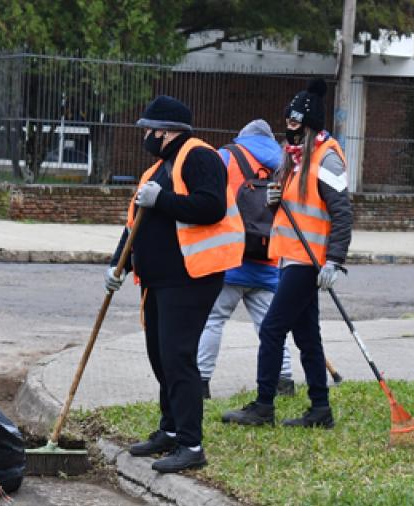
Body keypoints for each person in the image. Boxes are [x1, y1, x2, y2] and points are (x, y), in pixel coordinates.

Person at [105, 95, 244, 473]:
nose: (145, 135)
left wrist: (163, 199)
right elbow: (136, 222)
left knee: (178, 358)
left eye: (149, 129)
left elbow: (211, 206)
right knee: (159, 357)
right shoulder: (156, 169)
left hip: (191, 278)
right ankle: (168, 430)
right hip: (158, 281)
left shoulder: (199, 156)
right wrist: (119, 263)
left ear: (166, 132)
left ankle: (190, 443)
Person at [221, 79, 352, 428]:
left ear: (309, 126)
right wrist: (276, 200)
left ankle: (264, 405)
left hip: (309, 262)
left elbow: (342, 212)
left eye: (295, 124)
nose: (288, 129)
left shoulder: (327, 158)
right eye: (287, 123)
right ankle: (320, 410)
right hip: (291, 257)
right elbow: (299, 205)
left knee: (273, 329)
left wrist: (335, 261)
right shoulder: (294, 159)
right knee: (307, 335)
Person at [196, 119, 294, 400]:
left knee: (213, 320)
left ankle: (201, 382)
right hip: (268, 260)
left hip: (230, 259)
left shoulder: (226, 156)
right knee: (271, 326)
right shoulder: (285, 164)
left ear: (242, 137)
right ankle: (284, 380)